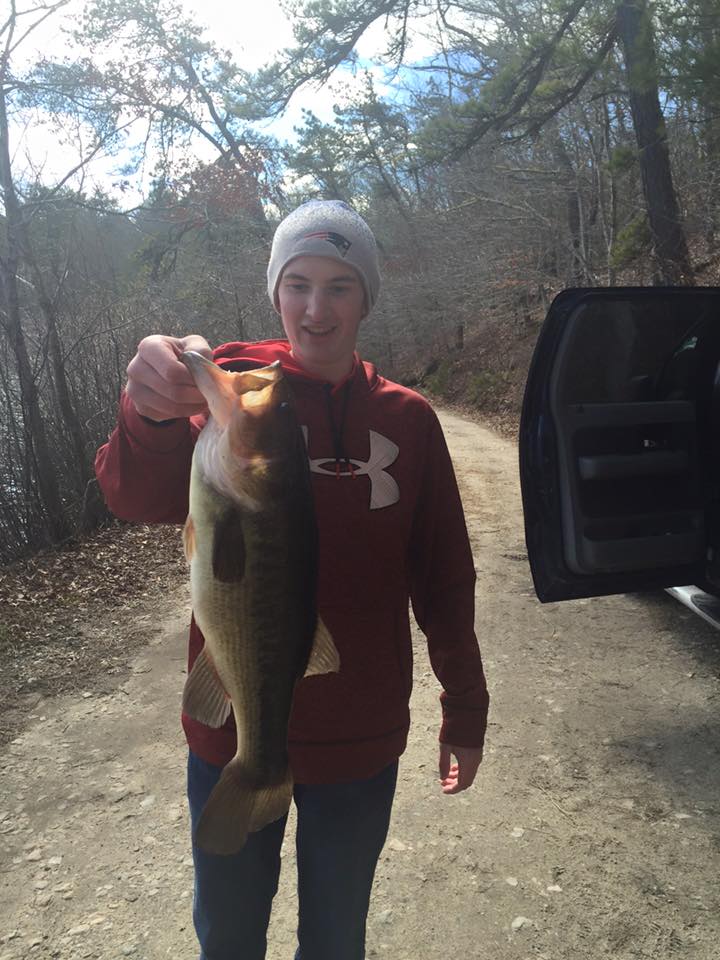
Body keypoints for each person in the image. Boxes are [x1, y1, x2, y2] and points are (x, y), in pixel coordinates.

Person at [95, 200, 489, 960]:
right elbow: (131, 496)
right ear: (275, 291)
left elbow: (446, 580)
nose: (316, 308)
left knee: (336, 940)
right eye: (298, 283)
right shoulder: (229, 393)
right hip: (229, 732)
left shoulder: (408, 421)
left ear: (367, 298)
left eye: (341, 285)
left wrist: (465, 710)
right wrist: (147, 409)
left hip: (359, 739)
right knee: (230, 937)